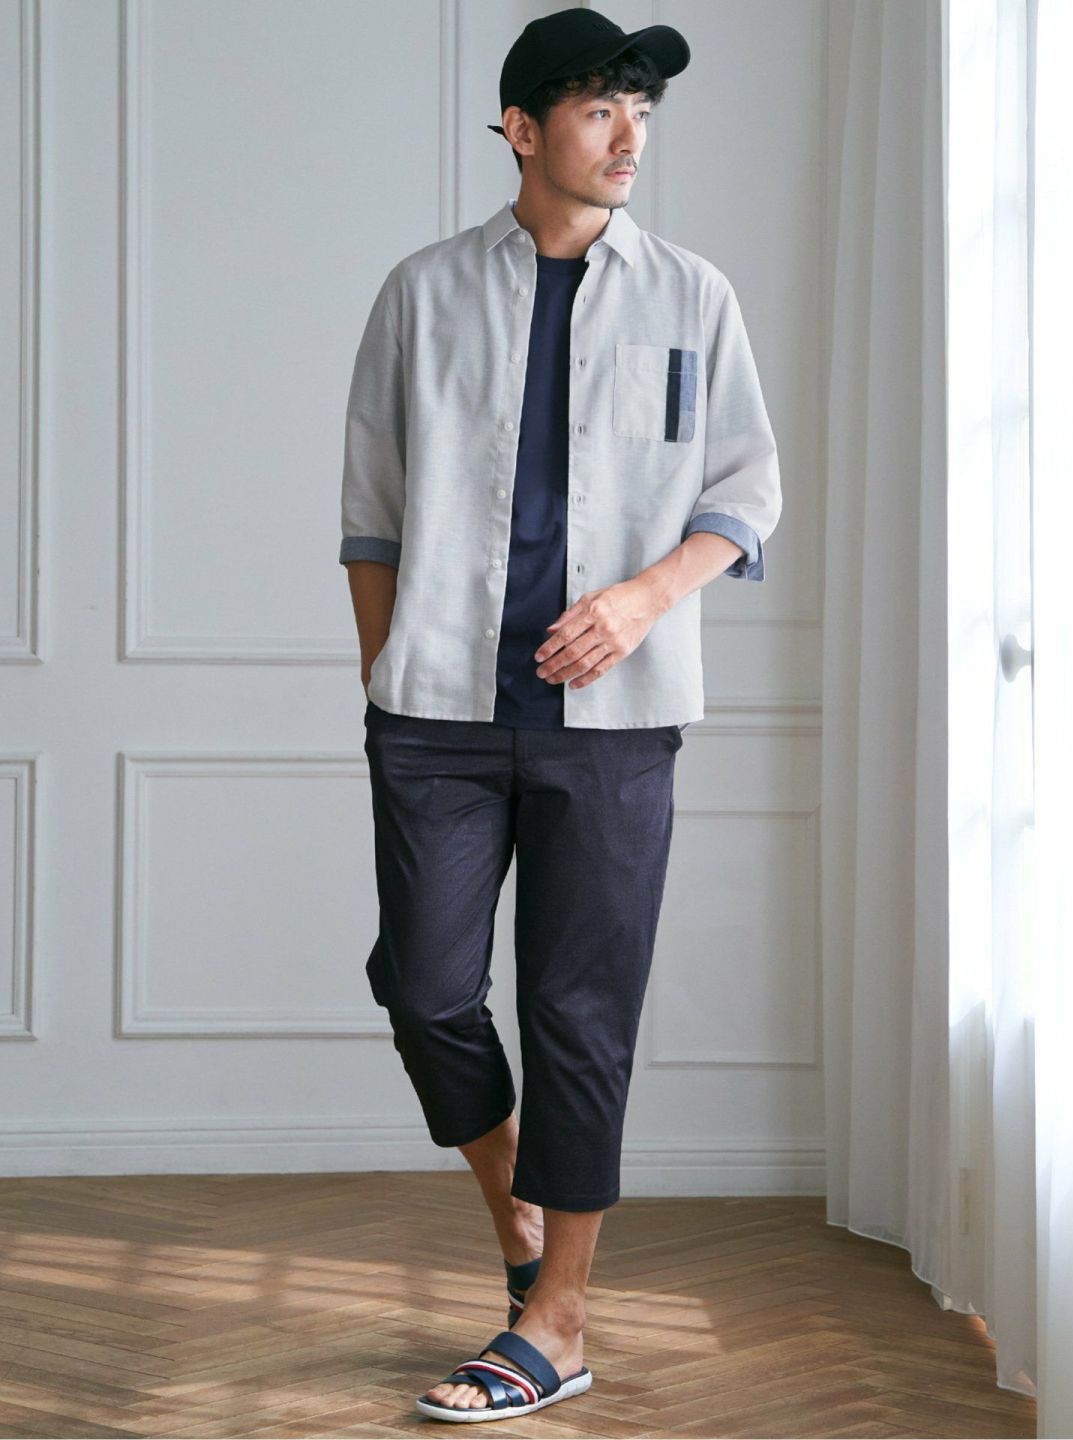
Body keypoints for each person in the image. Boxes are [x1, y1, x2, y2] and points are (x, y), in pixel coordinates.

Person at [339, 6, 782, 1422]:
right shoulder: (421, 293)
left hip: (618, 719)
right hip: (439, 713)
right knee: (424, 988)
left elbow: (747, 489)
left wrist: (646, 598)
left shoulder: (693, 296)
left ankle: (560, 1319)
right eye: (600, 107)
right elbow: (370, 517)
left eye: (641, 109)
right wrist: (388, 677)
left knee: (582, 1014)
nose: (630, 134)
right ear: (523, 129)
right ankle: (518, 1211)